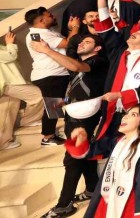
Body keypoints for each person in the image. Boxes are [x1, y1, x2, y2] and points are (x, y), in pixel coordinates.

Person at [36, 34, 109, 218]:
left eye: (88, 42)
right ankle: (92, 189)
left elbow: (77, 67)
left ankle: (64, 205)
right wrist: (65, 101)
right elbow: (79, 83)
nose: (82, 43)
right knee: (82, 154)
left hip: (85, 116)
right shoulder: (78, 62)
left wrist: (47, 50)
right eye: (81, 41)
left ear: (97, 48)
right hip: (73, 113)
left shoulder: (99, 61)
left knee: (73, 159)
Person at [87, 0, 140, 140]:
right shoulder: (119, 51)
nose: (134, 33)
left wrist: (121, 95)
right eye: (135, 32)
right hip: (111, 109)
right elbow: (107, 29)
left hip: (133, 114)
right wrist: (101, 0)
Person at [65, 105, 140, 218]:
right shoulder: (118, 141)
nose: (125, 117)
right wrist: (82, 138)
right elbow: (89, 152)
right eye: (126, 114)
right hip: (107, 199)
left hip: (129, 206)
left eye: (133, 115)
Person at [25, 6, 81, 145]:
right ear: (42, 20)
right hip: (50, 75)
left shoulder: (47, 32)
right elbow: (68, 43)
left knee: (55, 105)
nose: (53, 16)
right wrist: (75, 27)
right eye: (50, 15)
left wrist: (70, 30)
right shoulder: (39, 34)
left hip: (55, 74)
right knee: (53, 106)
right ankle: (48, 137)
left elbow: (64, 43)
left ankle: (50, 134)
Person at [0, 28, 43, 151]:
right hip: (8, 83)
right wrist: (10, 44)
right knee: (39, 95)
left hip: (8, 83)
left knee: (8, 111)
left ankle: (3, 142)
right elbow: (10, 56)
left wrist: (9, 45)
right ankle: (29, 120)